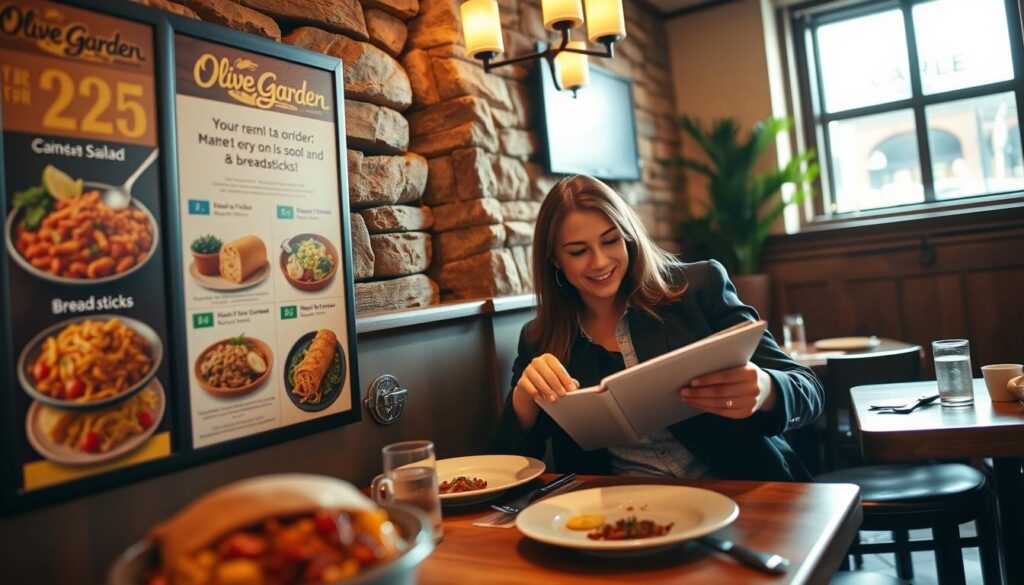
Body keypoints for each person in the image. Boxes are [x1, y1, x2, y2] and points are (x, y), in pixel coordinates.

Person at [490, 175, 823, 481]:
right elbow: (506, 465)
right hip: (619, 513)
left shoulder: (699, 287)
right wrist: (523, 399)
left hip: (741, 489)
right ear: (554, 260)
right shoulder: (539, 339)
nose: (600, 261)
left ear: (629, 237)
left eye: (610, 241)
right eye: (578, 251)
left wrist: (766, 389)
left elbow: (808, 390)